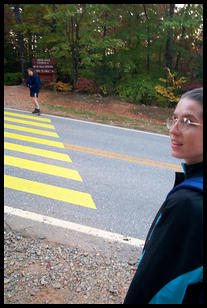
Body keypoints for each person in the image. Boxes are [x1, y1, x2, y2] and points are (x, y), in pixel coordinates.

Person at [124, 88, 203, 304]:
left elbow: (155, 290)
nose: (174, 130)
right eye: (175, 118)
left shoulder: (188, 204)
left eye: (188, 121)